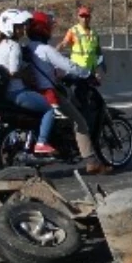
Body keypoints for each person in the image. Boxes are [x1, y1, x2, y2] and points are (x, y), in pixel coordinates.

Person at [25, 10, 112, 175]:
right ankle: (91, 161)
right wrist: (87, 74)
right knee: (80, 122)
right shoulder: (45, 49)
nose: (85, 18)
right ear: (43, 29)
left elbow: (51, 68)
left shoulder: (28, 48)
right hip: (51, 90)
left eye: (87, 16)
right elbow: (67, 64)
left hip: (35, 91)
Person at [0, 8, 56, 156]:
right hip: (18, 93)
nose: (23, 29)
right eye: (19, 26)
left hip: (4, 94)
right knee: (49, 109)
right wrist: (24, 75)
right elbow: (13, 72)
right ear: (9, 28)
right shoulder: (14, 47)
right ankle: (42, 142)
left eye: (23, 26)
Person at [61, 5, 102, 73]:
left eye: (86, 16)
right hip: (77, 70)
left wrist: (101, 63)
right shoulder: (73, 31)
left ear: (90, 17)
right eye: (82, 16)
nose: (84, 19)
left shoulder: (94, 33)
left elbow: (97, 50)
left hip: (91, 70)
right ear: (78, 17)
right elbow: (64, 43)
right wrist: (54, 51)